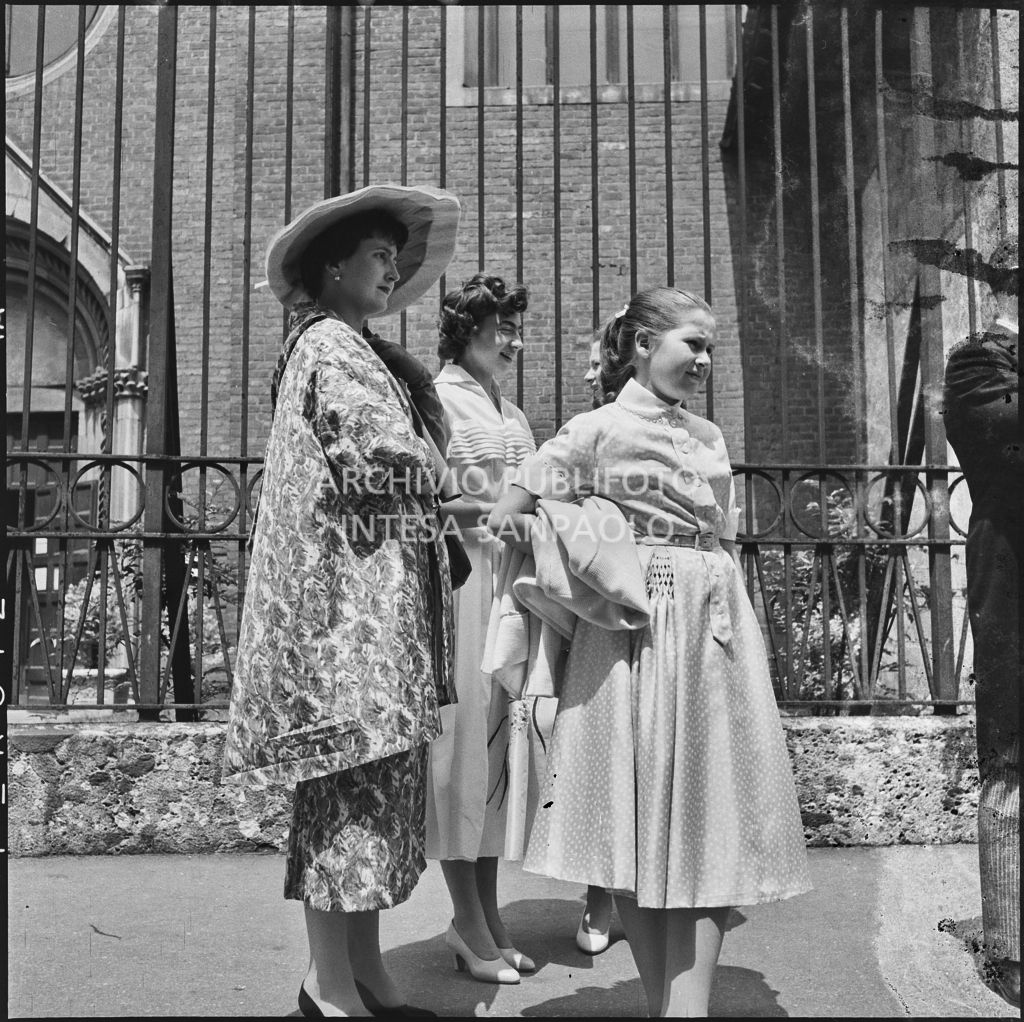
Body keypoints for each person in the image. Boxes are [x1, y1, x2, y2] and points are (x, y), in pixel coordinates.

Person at [488, 286, 812, 1017]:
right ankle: (665, 1002)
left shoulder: (709, 434)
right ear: (642, 345)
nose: (704, 360)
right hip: (630, 627)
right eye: (692, 343)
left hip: (712, 624)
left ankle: (686, 1009)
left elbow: (724, 533)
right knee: (627, 822)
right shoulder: (595, 429)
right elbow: (514, 509)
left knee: (711, 814)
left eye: (710, 348)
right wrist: (588, 549)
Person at [222, 184, 461, 1018]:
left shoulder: (356, 348)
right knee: (347, 790)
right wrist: (451, 475)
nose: (392, 271)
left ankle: (365, 975)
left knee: (375, 789)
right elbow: (377, 455)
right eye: (378, 256)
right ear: (333, 268)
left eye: (396, 258)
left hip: (371, 609)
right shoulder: (330, 344)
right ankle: (330, 989)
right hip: (346, 621)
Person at [426, 273, 538, 984]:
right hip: (464, 586)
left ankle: (490, 919)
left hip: (512, 584)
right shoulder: (437, 400)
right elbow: (425, 502)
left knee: (498, 751)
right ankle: (466, 920)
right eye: (504, 330)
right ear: (467, 331)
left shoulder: (511, 409)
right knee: (461, 749)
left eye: (517, 330)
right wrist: (496, 512)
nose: (515, 342)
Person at [942, 235, 1020, 1010]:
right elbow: (1010, 448)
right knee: (1016, 763)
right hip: (1015, 592)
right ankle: (1011, 948)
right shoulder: (977, 365)